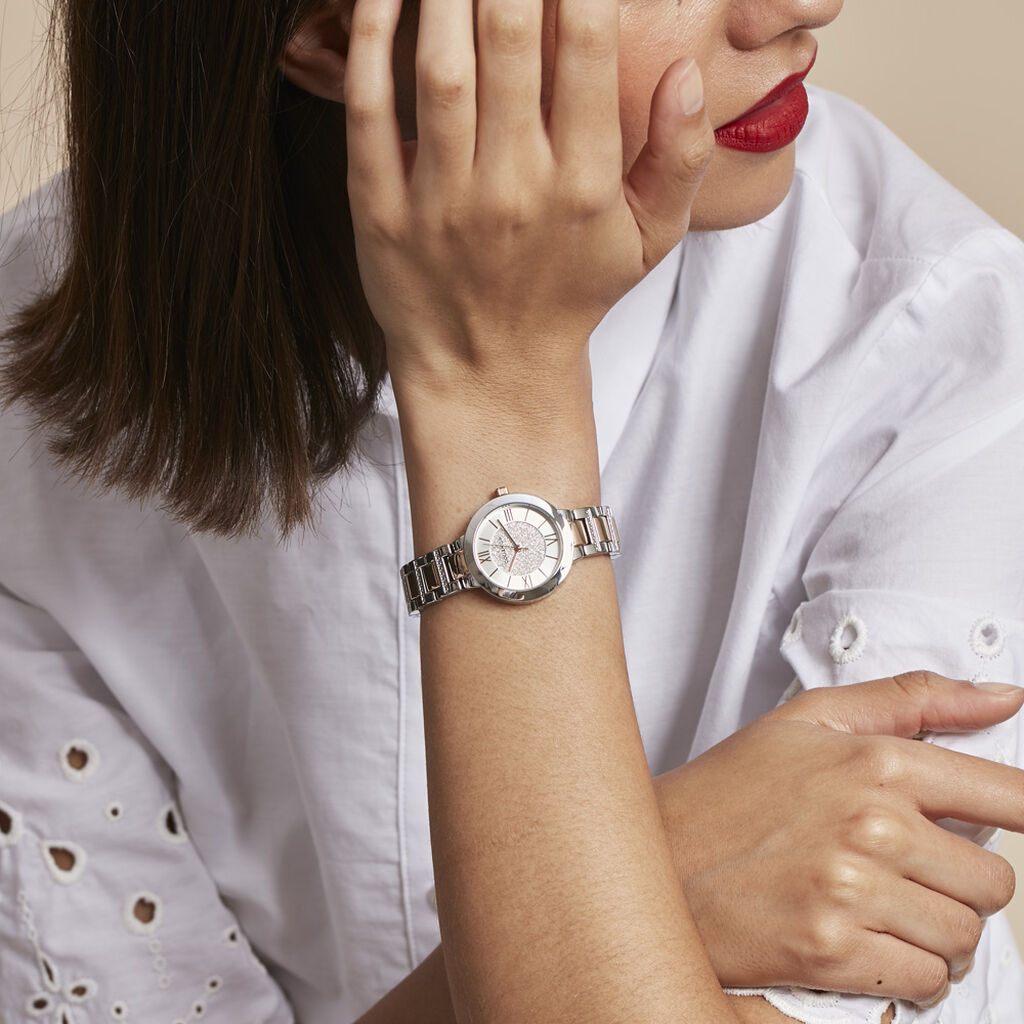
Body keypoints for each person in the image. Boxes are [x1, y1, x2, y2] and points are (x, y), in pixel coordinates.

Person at [1, 0, 1023, 1020]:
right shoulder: (23, 392)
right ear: (324, 33)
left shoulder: (944, 340)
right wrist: (661, 880)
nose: (803, 6)